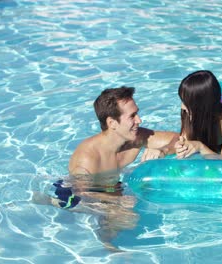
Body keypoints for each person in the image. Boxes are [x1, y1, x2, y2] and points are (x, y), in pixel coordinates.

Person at [33, 86, 179, 251]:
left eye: (137, 113)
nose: (139, 120)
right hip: (75, 191)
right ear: (112, 123)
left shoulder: (134, 138)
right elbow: (84, 195)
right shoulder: (88, 159)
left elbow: (178, 138)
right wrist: (115, 202)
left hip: (110, 185)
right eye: (132, 116)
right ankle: (108, 247)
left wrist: (163, 150)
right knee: (127, 217)